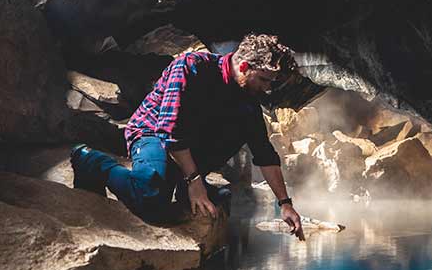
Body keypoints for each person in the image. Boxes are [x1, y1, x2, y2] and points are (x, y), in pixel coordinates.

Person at [70, 34, 304, 239]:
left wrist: (285, 204)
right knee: (150, 197)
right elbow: (169, 129)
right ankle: (90, 161)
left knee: (241, 124)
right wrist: (195, 181)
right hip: (152, 132)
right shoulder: (191, 67)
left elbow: (264, 153)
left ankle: (186, 188)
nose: (267, 88)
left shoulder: (248, 99)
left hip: (189, 143)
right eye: (264, 80)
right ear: (243, 67)